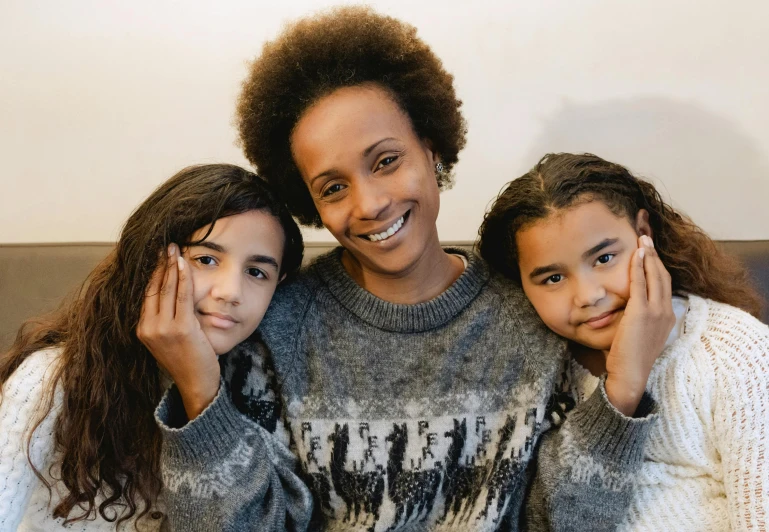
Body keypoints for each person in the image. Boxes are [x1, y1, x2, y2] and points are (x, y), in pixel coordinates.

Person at [145, 7, 674, 531]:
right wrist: (199, 393)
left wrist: (625, 384)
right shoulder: (275, 328)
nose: (370, 202)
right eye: (333, 188)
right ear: (310, 204)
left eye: (386, 161)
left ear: (433, 150)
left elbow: (564, 522)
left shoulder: (536, 311)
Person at [0, 164, 303, 530]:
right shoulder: (50, 379)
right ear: (150, 260)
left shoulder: (264, 389)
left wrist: (200, 388)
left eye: (257, 272)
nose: (231, 292)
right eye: (206, 259)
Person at [478, 152, 769, 530]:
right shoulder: (533, 373)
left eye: (604, 258)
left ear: (643, 233)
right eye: (552, 278)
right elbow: (547, 520)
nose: (587, 295)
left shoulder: (735, 350)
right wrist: (623, 383)